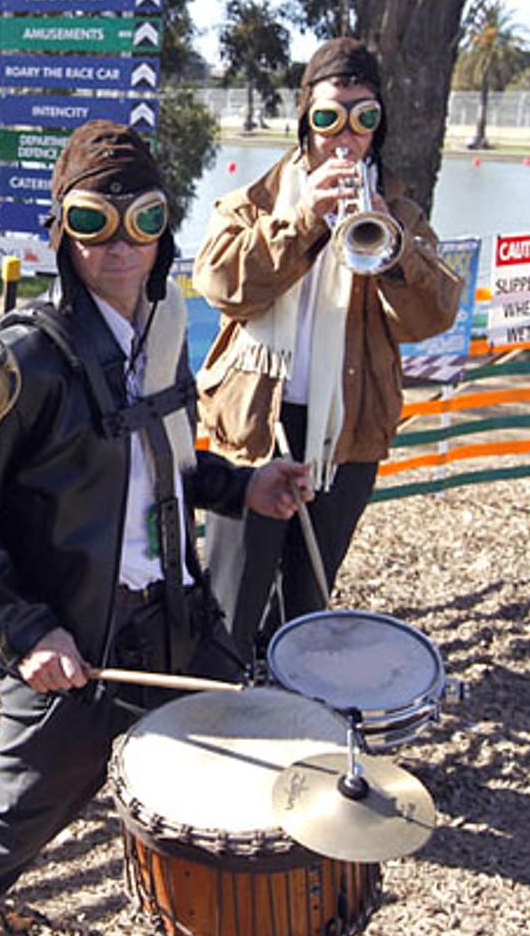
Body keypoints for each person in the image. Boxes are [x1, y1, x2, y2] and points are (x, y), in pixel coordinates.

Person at [0, 121, 425, 936]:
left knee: (265, 779)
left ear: (163, 228)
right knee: (18, 810)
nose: (119, 243)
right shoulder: (18, 359)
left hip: (176, 624)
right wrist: (28, 632)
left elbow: (168, 465)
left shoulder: (162, 331)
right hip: (73, 635)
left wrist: (246, 486)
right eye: (93, 219)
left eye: (142, 218)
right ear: (59, 232)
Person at [192, 38, 463, 663]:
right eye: (329, 117)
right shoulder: (254, 202)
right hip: (256, 430)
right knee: (232, 596)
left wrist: (393, 250)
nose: (347, 135)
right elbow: (221, 286)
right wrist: (304, 219)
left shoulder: (398, 212)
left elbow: (434, 314)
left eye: (364, 118)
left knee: (307, 597)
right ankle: (223, 704)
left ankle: (292, 708)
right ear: (305, 121)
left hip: (346, 436)